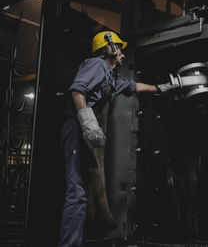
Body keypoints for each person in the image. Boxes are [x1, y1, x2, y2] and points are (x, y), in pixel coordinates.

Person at [58, 31, 176, 247]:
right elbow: (77, 90)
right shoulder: (97, 65)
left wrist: (162, 88)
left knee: (85, 193)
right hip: (76, 130)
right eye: (119, 48)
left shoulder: (112, 79)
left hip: (87, 135)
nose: (122, 52)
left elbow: (135, 87)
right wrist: (87, 122)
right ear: (109, 48)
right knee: (77, 192)